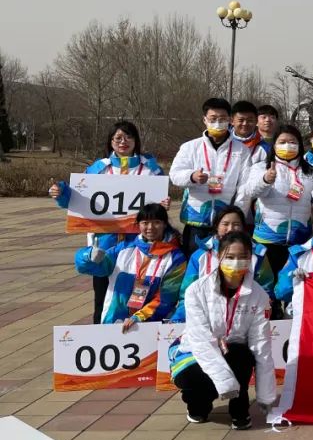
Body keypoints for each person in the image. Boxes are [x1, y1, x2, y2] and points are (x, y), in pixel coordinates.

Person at [48, 120, 166, 324]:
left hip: (139, 246)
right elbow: (77, 198)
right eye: (118, 138)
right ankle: (100, 335)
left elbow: (159, 206)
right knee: (102, 299)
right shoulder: (98, 169)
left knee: (139, 297)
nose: (123, 142)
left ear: (136, 140)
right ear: (110, 142)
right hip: (104, 246)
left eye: (128, 137)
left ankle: (138, 335)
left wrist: (163, 204)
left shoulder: (151, 169)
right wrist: (61, 192)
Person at [168, 230, 275, 429]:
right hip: (194, 353)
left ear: (251, 258)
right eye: (230, 257)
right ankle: (198, 405)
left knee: (243, 355)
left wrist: (266, 395)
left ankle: (239, 409)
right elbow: (201, 341)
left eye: (242, 257)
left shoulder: (259, 295)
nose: (236, 263)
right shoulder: (196, 291)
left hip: (233, 352)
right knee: (192, 378)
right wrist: (226, 384)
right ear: (218, 256)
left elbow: (261, 345)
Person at [75, 203, 187, 326]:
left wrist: (138, 318)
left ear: (164, 224)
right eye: (145, 223)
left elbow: (167, 297)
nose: (150, 227)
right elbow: (94, 268)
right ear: (138, 225)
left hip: (151, 326)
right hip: (114, 322)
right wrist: (88, 257)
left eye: (156, 222)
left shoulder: (176, 258)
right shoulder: (123, 249)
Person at [170, 98, 253, 256]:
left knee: (224, 263)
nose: (217, 123)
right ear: (204, 120)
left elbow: (245, 187)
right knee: (195, 262)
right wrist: (192, 177)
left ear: (230, 120)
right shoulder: (190, 147)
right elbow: (174, 175)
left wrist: (237, 217)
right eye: (213, 119)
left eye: (222, 119)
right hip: (196, 221)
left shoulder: (241, 150)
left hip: (225, 224)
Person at [246, 125, 313, 280]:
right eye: (282, 142)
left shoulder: (311, 170)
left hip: (300, 239)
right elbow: (251, 192)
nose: (287, 146)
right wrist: (266, 180)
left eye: (292, 142)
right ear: (274, 145)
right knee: (268, 284)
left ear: (300, 145)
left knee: (293, 284)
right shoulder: (262, 167)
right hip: (268, 238)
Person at [172, 205, 274, 322]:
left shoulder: (257, 255)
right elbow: (187, 294)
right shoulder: (200, 256)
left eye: (236, 224)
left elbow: (266, 290)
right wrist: (179, 319)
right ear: (217, 226)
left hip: (245, 317)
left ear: (243, 227)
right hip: (207, 317)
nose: (230, 229)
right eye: (225, 224)